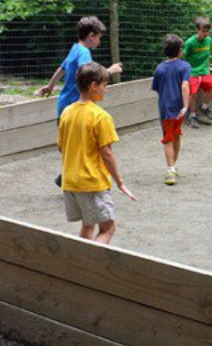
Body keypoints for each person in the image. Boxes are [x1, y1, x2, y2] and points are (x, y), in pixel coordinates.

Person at [36, 16, 123, 186]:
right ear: (91, 36)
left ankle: (66, 175)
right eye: (99, 37)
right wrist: (111, 70)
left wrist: (50, 86)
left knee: (69, 143)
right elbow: (89, 75)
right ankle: (72, 176)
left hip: (63, 105)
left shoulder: (75, 48)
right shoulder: (84, 52)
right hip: (75, 105)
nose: (99, 41)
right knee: (79, 143)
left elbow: (62, 68)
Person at [58, 62, 136, 244]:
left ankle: (80, 263)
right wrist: (120, 182)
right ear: (93, 86)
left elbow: (61, 147)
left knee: (88, 224)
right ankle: (86, 268)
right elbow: (106, 153)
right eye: (104, 85)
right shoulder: (101, 117)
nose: (106, 90)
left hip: (70, 182)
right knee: (108, 228)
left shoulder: (67, 112)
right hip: (92, 182)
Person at [151, 34, 191, 185]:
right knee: (176, 135)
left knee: (168, 137)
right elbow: (185, 86)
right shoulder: (185, 66)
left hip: (166, 109)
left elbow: (157, 89)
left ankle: (170, 169)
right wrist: (186, 105)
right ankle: (173, 166)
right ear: (180, 50)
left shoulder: (160, 68)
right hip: (180, 109)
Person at [182, 16, 212, 129]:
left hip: (204, 71)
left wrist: (209, 67)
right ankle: (192, 116)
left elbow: (207, 56)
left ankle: (204, 107)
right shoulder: (190, 42)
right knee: (193, 93)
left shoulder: (209, 41)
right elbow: (183, 57)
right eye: (203, 31)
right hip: (192, 72)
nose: (206, 33)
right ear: (197, 29)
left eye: (207, 31)